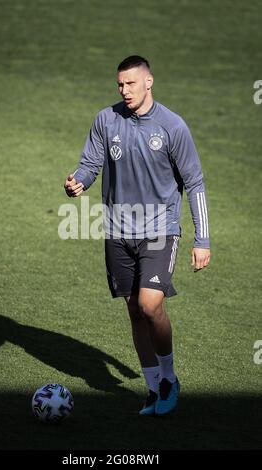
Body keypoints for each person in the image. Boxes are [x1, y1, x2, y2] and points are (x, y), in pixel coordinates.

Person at [64, 55, 210, 416]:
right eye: (120, 85)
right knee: (133, 310)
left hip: (160, 228)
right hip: (117, 230)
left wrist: (202, 240)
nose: (124, 90)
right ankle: (150, 388)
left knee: (150, 304)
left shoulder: (173, 127)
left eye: (131, 83)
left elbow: (194, 181)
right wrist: (78, 181)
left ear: (149, 82)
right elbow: (91, 163)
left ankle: (169, 379)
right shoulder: (106, 119)